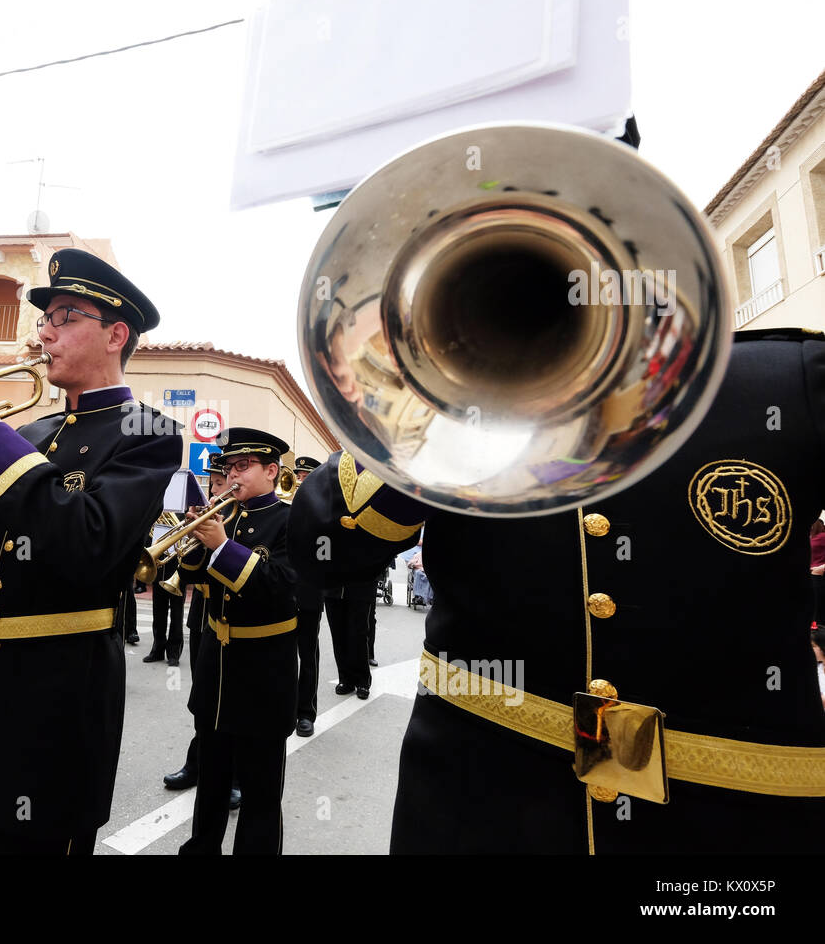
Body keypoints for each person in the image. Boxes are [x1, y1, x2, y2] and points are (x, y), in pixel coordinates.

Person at [289, 329, 825, 853]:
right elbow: (324, 549)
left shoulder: (785, 378)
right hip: (479, 805)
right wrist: (435, 399)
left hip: (729, 823)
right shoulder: (458, 396)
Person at [0, 248, 182, 854]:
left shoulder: (148, 432)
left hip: (55, 696)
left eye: (66, 316)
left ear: (115, 334)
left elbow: (87, 543)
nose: (45, 331)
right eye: (45, 318)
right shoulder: (33, 432)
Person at [179, 428, 298, 855]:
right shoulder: (225, 514)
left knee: (261, 791)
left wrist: (223, 546)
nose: (232, 476)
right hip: (216, 665)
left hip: (266, 671)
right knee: (211, 780)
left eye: (243, 467)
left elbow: (284, 588)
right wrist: (196, 535)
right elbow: (190, 575)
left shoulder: (291, 521)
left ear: (271, 470)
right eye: (228, 467)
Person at [162, 457, 241, 810]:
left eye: (220, 481)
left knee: (234, 706)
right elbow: (192, 573)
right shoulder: (213, 513)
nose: (215, 488)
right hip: (205, 616)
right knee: (204, 699)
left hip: (238, 621)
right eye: (213, 481)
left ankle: (234, 777)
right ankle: (198, 763)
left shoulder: (244, 519)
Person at [292, 455, 323, 736]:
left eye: (305, 477)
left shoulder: (324, 512)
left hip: (309, 592)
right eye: (297, 476)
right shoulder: (283, 507)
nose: (299, 481)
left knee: (307, 653)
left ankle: (306, 712)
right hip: (283, 591)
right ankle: (287, 705)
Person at [144, 550, 185, 665]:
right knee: (158, 613)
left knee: (176, 615)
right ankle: (158, 649)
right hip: (159, 571)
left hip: (178, 572)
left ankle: (174, 652)